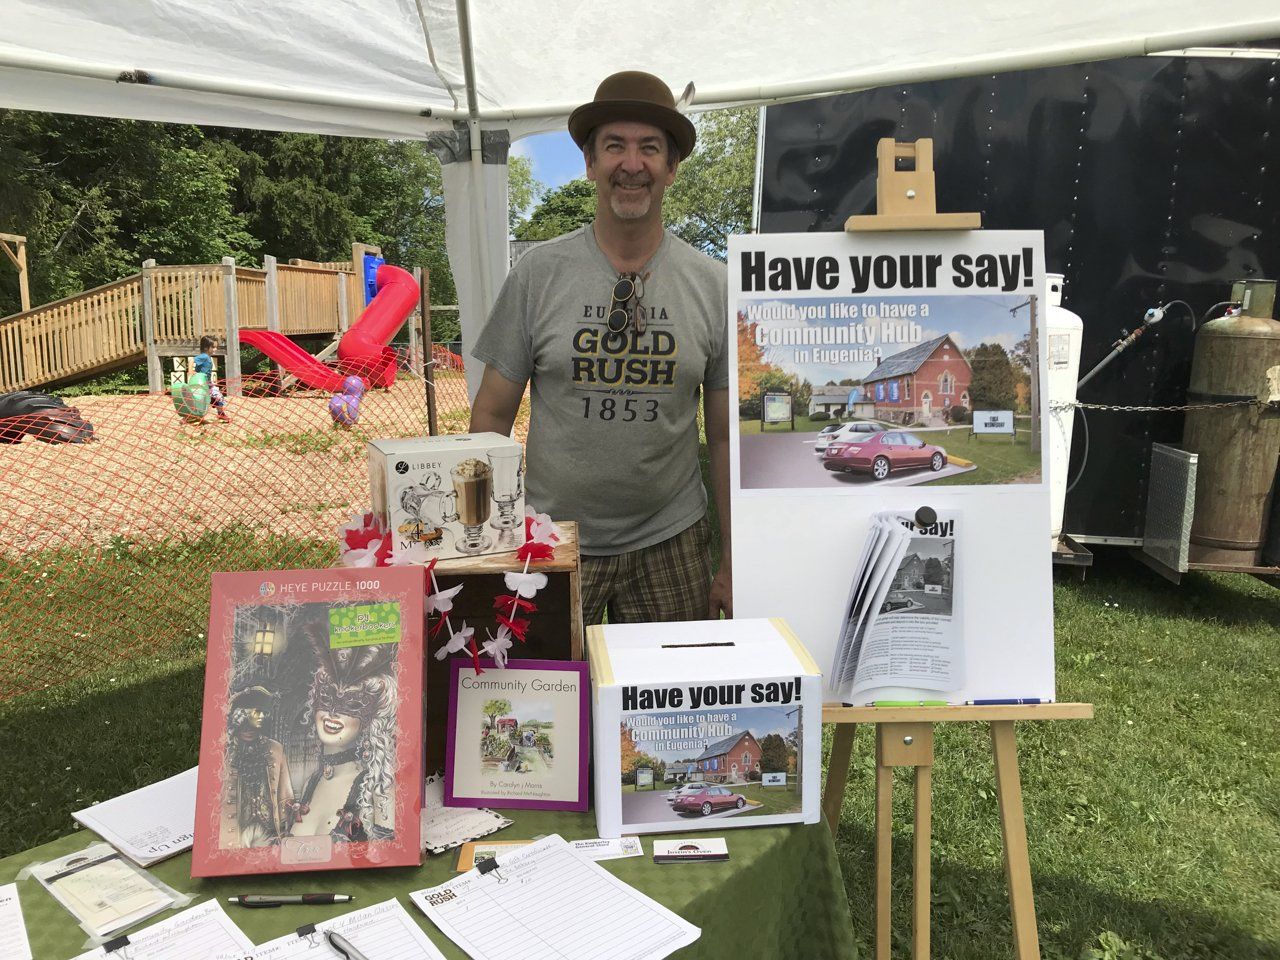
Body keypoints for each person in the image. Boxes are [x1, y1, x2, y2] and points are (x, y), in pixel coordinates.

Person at [469, 70, 732, 625]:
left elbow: (728, 436)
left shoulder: (714, 285)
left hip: (673, 540)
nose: (631, 164)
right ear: (590, 164)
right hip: (552, 538)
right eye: (614, 146)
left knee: (667, 707)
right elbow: (492, 414)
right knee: (551, 705)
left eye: (650, 148)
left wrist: (731, 559)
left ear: (672, 168)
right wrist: (487, 543)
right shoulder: (539, 274)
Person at [292, 639, 398, 843]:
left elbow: (388, 860)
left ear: (370, 719)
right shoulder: (311, 783)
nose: (333, 713)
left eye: (353, 703)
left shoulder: (379, 789)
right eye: (327, 698)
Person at [219, 685, 294, 849]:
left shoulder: (275, 749)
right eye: (244, 725)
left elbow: (285, 794)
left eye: (263, 714)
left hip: (271, 834)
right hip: (234, 835)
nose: (249, 730)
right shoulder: (224, 752)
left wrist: (285, 829)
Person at [194, 335, 231, 422]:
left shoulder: (207, 357)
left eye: (216, 347)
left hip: (208, 384)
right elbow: (192, 360)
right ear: (206, 347)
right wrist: (190, 372)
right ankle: (188, 417)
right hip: (202, 384)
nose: (215, 349)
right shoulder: (204, 356)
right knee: (201, 401)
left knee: (217, 397)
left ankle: (221, 414)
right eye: (213, 347)